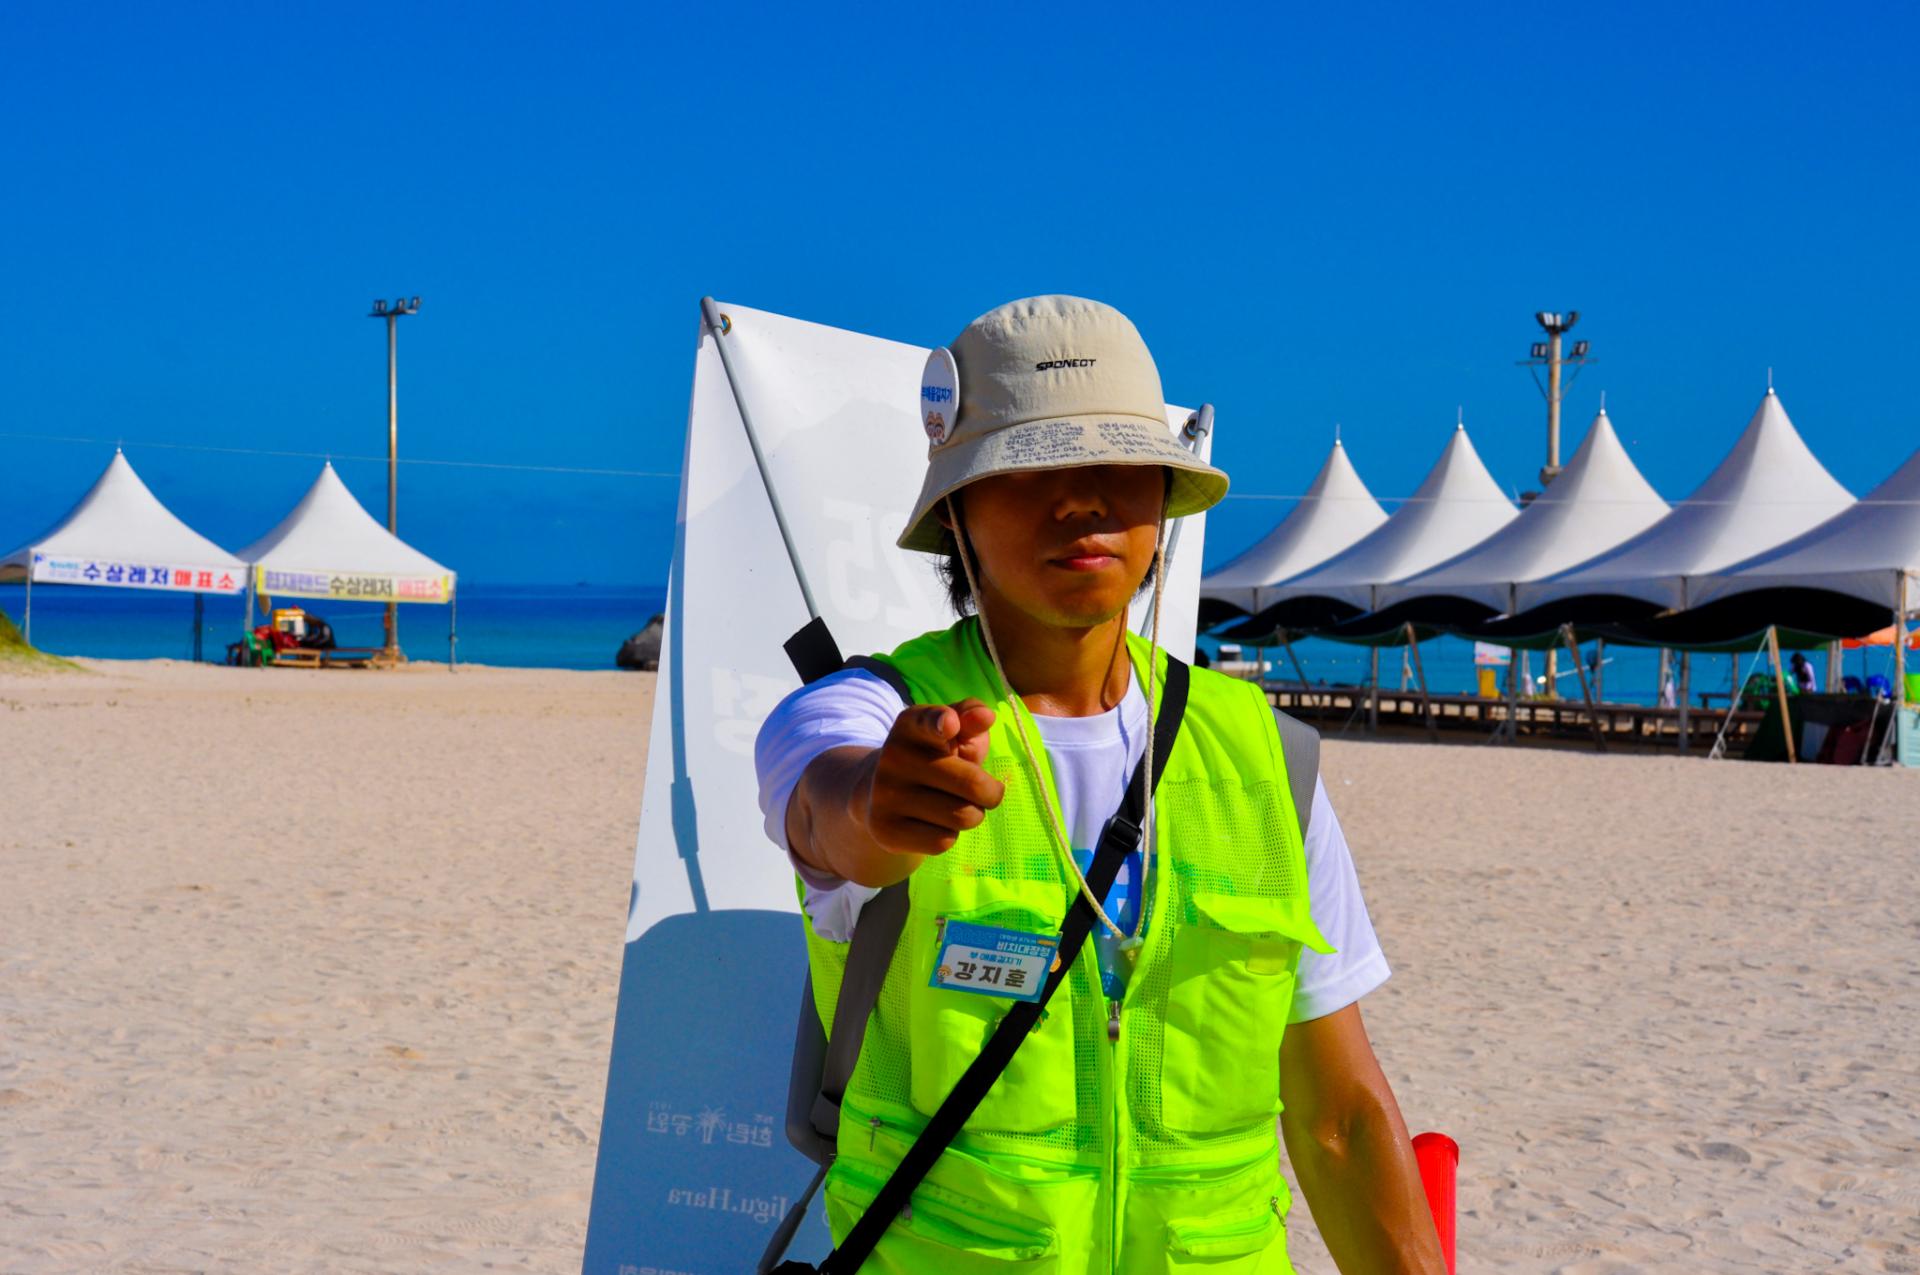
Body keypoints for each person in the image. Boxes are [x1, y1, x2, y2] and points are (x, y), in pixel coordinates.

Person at [756, 296, 1446, 1274]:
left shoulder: (1266, 756)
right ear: (955, 511)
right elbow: (826, 808)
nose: (1080, 500)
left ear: (1163, 501)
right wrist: (877, 805)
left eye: (1118, 467)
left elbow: (1338, 1118)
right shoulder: (866, 711)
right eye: (1033, 469)